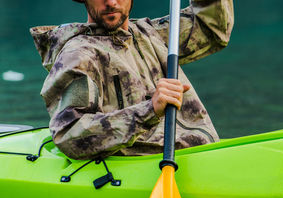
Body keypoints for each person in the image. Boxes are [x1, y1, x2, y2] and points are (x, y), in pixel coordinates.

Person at [30, 0, 234, 160]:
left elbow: (211, 28)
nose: (111, 2)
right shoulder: (79, 55)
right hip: (148, 167)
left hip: (199, 154)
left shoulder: (149, 34)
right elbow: (69, 134)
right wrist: (149, 110)